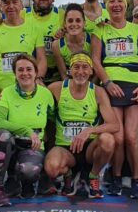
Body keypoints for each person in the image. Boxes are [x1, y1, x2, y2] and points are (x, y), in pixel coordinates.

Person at [91, 0, 138, 197]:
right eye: (111, 2)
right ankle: (115, 178)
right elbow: (95, 60)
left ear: (126, 5)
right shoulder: (100, 30)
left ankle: (136, 179)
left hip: (134, 87)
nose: (116, 5)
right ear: (106, 6)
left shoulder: (137, 30)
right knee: (118, 137)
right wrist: (106, 82)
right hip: (112, 86)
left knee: (132, 138)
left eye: (119, 2)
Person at [44, 54, 119, 199]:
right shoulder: (55, 88)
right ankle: (69, 175)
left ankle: (93, 176)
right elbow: (35, 100)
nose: (80, 71)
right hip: (65, 149)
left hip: (90, 149)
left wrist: (89, 130)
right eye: (76, 67)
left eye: (85, 67)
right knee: (52, 168)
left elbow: (114, 125)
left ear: (91, 71)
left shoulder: (98, 91)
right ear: (69, 71)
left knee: (108, 140)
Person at [0, 55, 54, 207]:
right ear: (15, 73)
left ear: (36, 72)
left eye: (29, 69)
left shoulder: (45, 94)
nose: (25, 73)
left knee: (29, 171)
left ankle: (27, 182)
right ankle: (0, 187)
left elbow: (53, 121)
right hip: (9, 145)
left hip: (32, 147)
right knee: (2, 135)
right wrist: (26, 130)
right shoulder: (6, 92)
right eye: (20, 70)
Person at [0, 0, 47, 90]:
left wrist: (38, 77)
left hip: (27, 88)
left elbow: (41, 58)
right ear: (1, 6)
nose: (11, 6)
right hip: (0, 90)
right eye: (6, 3)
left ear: (21, 5)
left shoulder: (34, 29)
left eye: (14, 2)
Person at [25, 0, 65, 83]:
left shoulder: (62, 15)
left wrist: (65, 35)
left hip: (56, 76)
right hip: (29, 76)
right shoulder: (22, 15)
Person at [52, 3, 92, 80]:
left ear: (84, 23)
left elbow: (97, 70)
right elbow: (64, 76)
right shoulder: (57, 45)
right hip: (71, 82)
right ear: (65, 24)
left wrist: (90, 89)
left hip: (91, 83)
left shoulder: (92, 40)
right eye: (70, 21)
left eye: (78, 20)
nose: (74, 24)